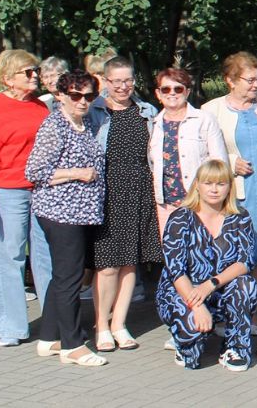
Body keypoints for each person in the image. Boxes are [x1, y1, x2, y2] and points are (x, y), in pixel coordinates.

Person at [24, 69, 108, 367]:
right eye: (76, 95)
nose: (83, 101)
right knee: (70, 278)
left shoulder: (82, 124)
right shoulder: (55, 126)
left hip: (80, 213)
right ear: (61, 95)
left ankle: (49, 337)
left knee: (63, 276)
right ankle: (72, 345)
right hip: (60, 212)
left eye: (89, 96)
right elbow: (34, 171)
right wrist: (77, 173)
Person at [0, 48, 51, 347]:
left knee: (46, 257)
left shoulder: (40, 108)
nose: (35, 77)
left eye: (35, 71)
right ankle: (9, 326)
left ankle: (55, 323)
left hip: (42, 190)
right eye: (28, 72)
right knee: (9, 257)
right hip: (7, 191)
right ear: (8, 78)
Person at [86, 56, 161, 353]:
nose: (122, 86)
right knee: (106, 266)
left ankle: (120, 323)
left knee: (130, 264)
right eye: (116, 81)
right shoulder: (95, 112)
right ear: (105, 81)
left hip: (139, 190)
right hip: (106, 193)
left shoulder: (146, 112)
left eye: (127, 80)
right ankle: (101, 325)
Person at [156, 159, 257, 371]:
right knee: (191, 360)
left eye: (221, 184)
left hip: (218, 288)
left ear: (230, 187)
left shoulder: (240, 217)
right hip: (184, 290)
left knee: (246, 285)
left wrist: (210, 285)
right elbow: (175, 270)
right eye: (208, 183)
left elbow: (244, 262)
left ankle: (235, 347)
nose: (214, 189)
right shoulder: (180, 218)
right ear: (197, 185)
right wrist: (197, 304)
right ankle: (184, 341)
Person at [202, 51, 257, 333]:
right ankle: (224, 312)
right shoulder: (212, 109)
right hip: (234, 191)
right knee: (231, 252)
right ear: (230, 81)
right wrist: (231, 162)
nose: (255, 85)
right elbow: (204, 152)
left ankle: (252, 311)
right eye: (249, 80)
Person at [147, 67, 229, 236]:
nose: (172, 93)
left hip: (200, 202)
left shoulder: (204, 120)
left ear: (187, 92)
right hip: (165, 204)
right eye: (166, 89)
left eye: (178, 89)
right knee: (172, 255)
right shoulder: (152, 124)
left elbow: (220, 163)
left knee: (202, 252)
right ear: (158, 93)